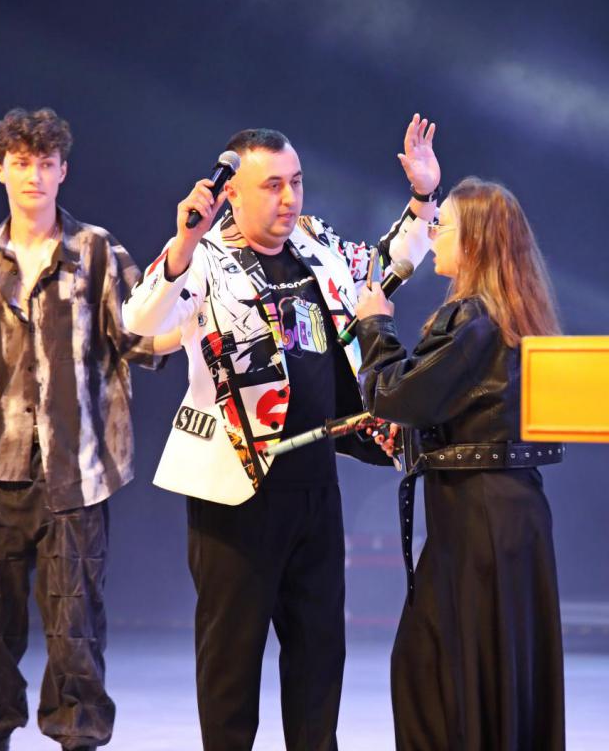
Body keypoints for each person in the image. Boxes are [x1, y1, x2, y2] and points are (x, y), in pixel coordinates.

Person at [121, 116, 440, 750]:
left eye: (296, 182)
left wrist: (423, 195)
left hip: (314, 483)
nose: (289, 198)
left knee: (320, 654)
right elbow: (140, 319)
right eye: (272, 186)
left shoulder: (316, 244)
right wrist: (183, 243)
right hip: (235, 488)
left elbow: (386, 264)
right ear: (232, 193)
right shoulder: (202, 261)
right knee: (231, 663)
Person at [0, 107, 177, 751]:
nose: (34, 176)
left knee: (75, 624)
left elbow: (143, 338)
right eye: (22, 163)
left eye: (46, 164)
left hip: (75, 469)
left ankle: (78, 736)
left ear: (63, 172)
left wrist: (191, 323)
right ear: (0, 170)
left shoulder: (98, 251)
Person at [355, 177, 566, 750]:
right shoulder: (515, 317)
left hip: (478, 517)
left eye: (441, 226)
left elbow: (396, 393)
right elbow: (461, 411)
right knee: (499, 666)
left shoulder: (472, 318)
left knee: (435, 671)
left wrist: (375, 324)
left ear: (472, 242)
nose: (432, 237)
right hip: (510, 511)